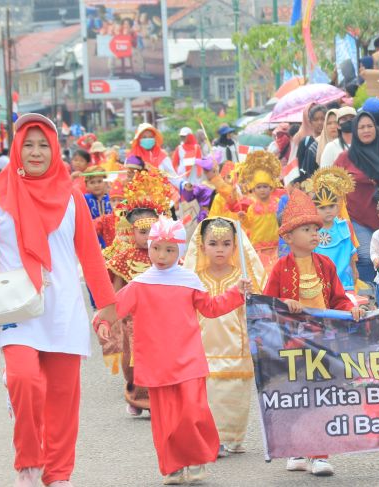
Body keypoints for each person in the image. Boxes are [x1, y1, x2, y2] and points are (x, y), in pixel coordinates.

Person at [0, 113, 117, 487]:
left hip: (63, 309)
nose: (35, 151)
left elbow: (91, 257)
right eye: (27, 144)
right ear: (16, 147)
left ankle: (58, 475)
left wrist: (108, 308)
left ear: (54, 149)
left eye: (43, 144)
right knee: (23, 379)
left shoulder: (72, 196)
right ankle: (28, 463)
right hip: (17, 307)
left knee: (63, 398)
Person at [98, 217, 250, 484]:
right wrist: (101, 322)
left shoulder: (189, 281)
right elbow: (114, 308)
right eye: (156, 248)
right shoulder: (140, 284)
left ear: (179, 252)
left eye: (169, 250)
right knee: (166, 421)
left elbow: (211, 308)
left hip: (189, 359)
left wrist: (236, 292)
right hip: (156, 365)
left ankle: (196, 459)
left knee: (193, 412)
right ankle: (173, 467)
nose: (161, 255)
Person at [264, 189, 365, 477]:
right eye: (305, 229)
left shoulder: (326, 265)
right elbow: (268, 304)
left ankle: (320, 453)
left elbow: (338, 300)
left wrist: (352, 308)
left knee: (322, 397)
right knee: (294, 396)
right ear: (288, 237)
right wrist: (284, 304)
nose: (313, 234)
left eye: (314, 229)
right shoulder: (280, 269)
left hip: (323, 342)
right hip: (292, 344)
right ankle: (295, 449)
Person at [183, 217, 267, 456]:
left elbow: (258, 306)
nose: (220, 248)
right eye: (213, 243)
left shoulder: (243, 278)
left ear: (235, 247)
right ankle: (214, 438)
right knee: (209, 396)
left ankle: (233, 437)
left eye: (226, 243)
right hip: (204, 346)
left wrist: (252, 294)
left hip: (237, 346)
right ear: (202, 247)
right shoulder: (193, 278)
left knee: (236, 395)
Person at [104, 169, 174, 416]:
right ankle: (135, 397)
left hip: (160, 317)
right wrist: (114, 313)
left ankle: (157, 398)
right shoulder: (125, 255)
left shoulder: (167, 253)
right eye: (142, 232)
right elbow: (117, 288)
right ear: (131, 231)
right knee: (132, 361)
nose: (147, 238)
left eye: (151, 231)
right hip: (132, 320)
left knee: (161, 359)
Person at [334, 112, 379, 284]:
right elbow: (333, 185)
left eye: (369, 126)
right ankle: (371, 294)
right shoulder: (345, 158)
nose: (366, 130)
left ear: (376, 128)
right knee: (366, 256)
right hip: (359, 217)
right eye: (361, 127)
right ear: (354, 131)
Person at [235, 151, 283, 273]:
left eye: (265, 186)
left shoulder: (277, 203)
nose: (262, 190)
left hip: (277, 246)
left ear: (271, 187)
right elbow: (249, 225)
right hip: (259, 248)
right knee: (261, 273)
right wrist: (244, 218)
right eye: (259, 187)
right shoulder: (252, 207)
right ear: (254, 189)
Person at [311, 168, 358, 291]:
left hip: (344, 279)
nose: (328, 210)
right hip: (320, 280)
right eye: (323, 207)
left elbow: (350, 252)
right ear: (315, 209)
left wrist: (354, 270)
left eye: (331, 206)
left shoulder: (344, 226)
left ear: (337, 207)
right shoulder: (312, 230)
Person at [293, 104, 327, 182]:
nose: (320, 123)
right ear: (310, 122)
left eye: (323, 119)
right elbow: (299, 167)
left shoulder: (332, 141)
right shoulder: (305, 142)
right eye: (316, 120)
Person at [82, 166, 112, 247]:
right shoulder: (84, 199)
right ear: (86, 186)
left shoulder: (112, 198)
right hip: (92, 238)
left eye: (99, 181)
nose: (96, 185)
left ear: (106, 182)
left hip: (112, 238)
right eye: (92, 182)